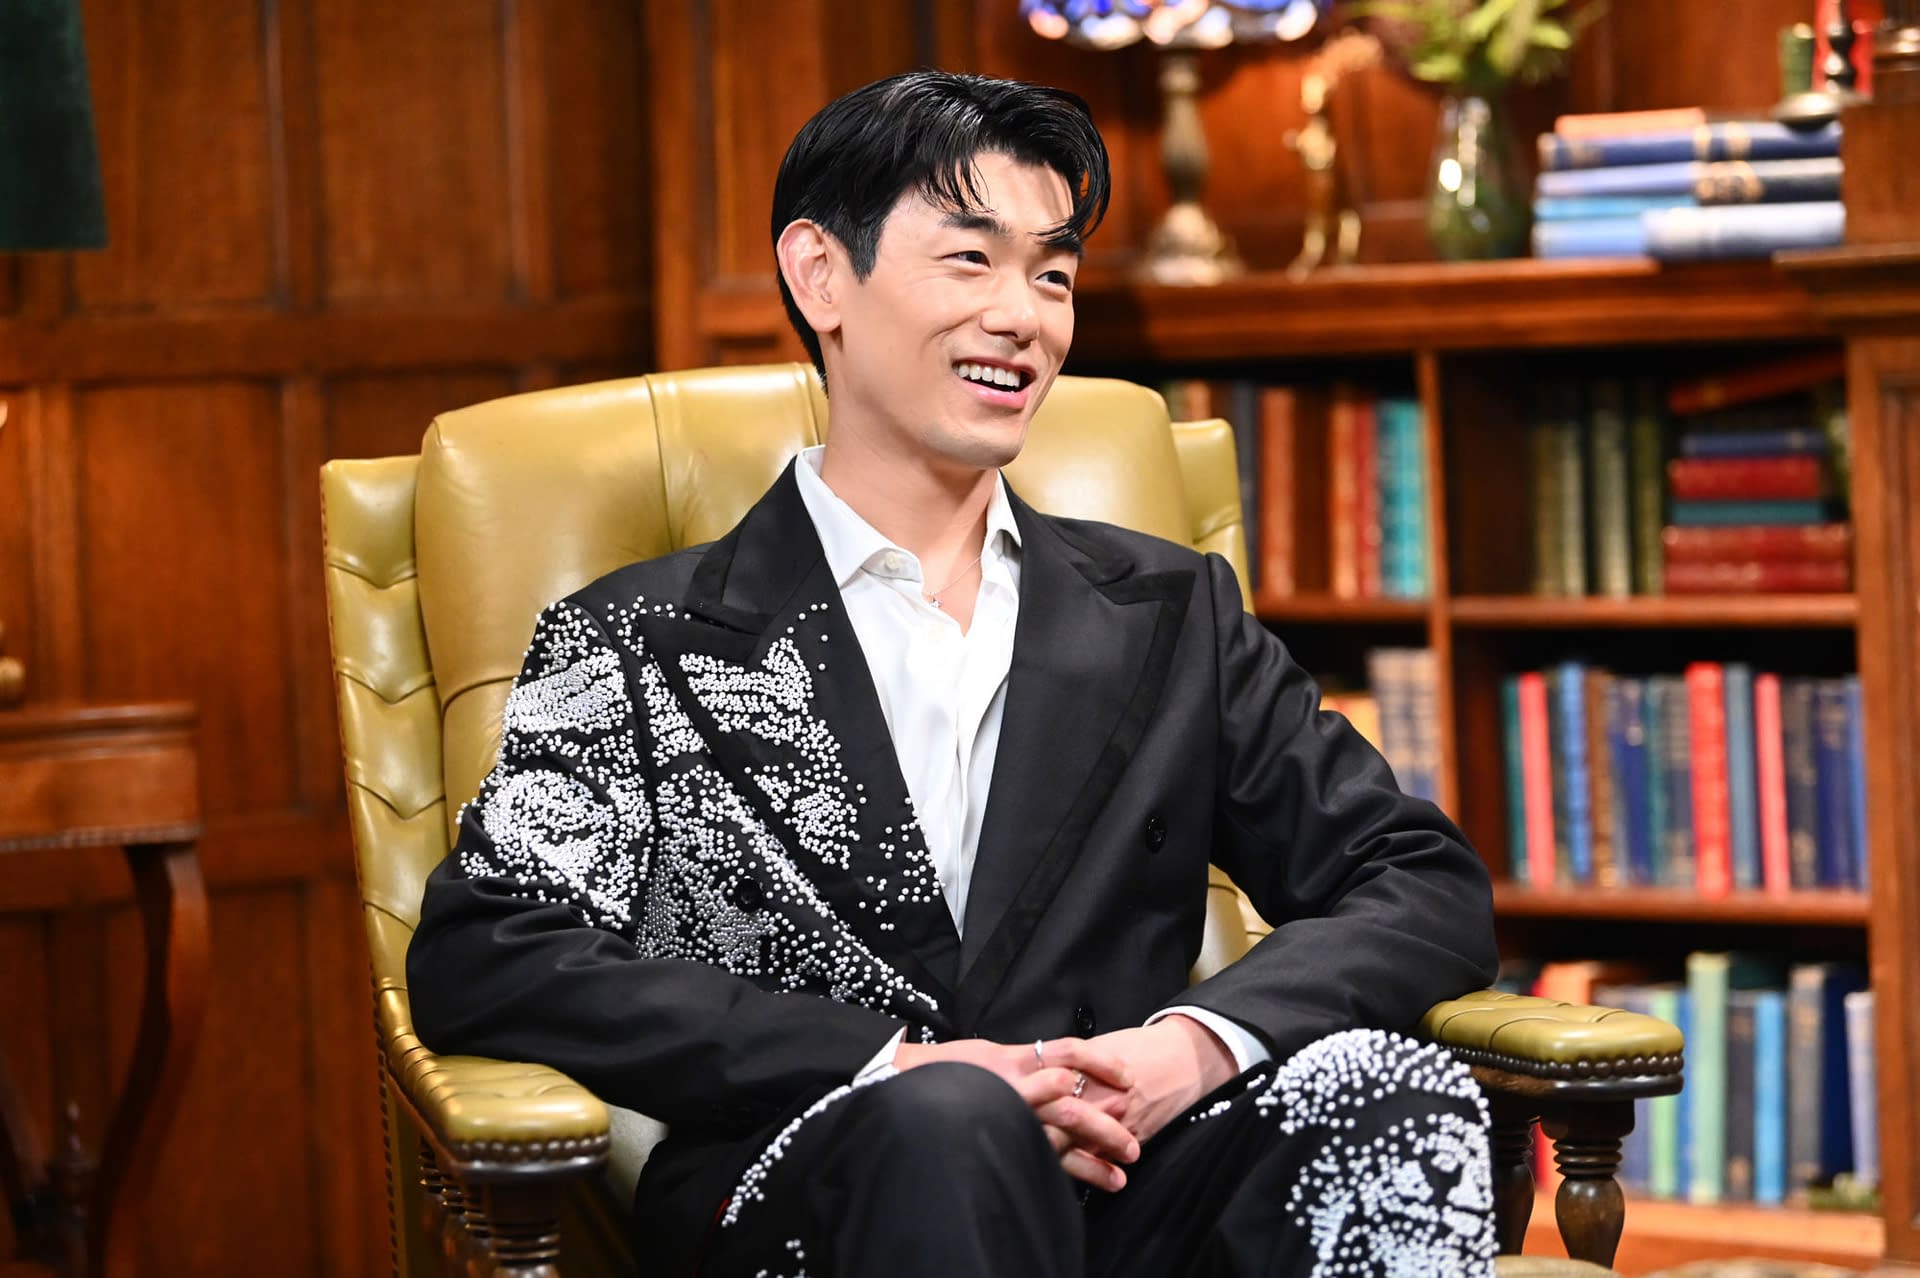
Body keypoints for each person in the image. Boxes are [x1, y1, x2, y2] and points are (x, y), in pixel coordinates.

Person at [408, 70, 1499, 1277]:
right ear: (821, 275)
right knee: (950, 1121)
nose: (1023, 317)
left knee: (1394, 1088)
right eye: (971, 260)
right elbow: (488, 952)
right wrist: (887, 1063)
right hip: (820, 1175)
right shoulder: (636, 639)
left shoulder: (1168, 614)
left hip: (1121, 1169)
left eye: (1053, 275)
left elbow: (1416, 880)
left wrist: (1194, 1043)